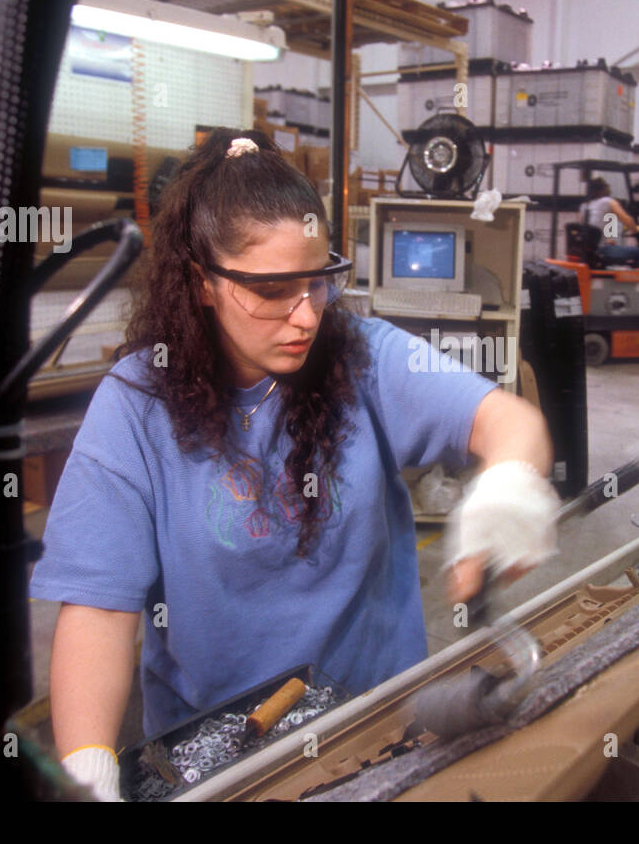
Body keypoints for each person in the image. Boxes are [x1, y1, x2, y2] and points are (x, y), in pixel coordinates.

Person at [29, 129, 558, 800]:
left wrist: (510, 481)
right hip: (219, 756)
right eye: (274, 289)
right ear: (202, 284)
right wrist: (89, 769)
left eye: (319, 281)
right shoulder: (137, 404)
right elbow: (99, 610)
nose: (306, 315)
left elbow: (509, 422)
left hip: (374, 728)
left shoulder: (361, 355)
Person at [579, 177, 639, 269]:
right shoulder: (608, 201)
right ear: (600, 190)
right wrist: (636, 229)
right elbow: (627, 219)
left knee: (619, 249)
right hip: (603, 250)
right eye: (607, 187)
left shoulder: (584, 206)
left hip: (591, 250)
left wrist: (606, 240)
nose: (609, 189)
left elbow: (590, 229)